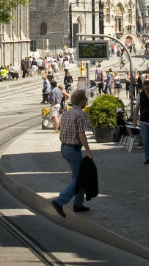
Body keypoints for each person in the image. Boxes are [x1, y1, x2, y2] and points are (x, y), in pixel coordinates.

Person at [51, 89, 93, 217]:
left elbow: (61, 133)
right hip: (74, 149)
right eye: (85, 99)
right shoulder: (80, 115)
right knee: (81, 177)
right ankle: (59, 200)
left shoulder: (67, 113)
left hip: (64, 147)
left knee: (77, 177)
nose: (86, 101)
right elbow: (82, 135)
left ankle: (78, 204)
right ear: (81, 101)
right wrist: (89, 152)